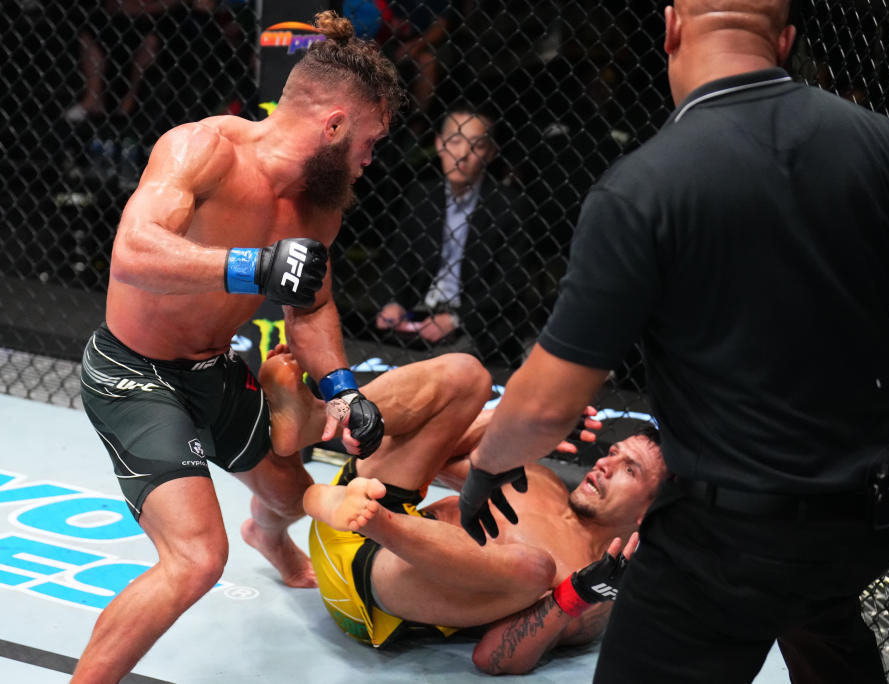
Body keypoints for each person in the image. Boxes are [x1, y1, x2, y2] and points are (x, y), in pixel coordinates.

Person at [457, 1, 889, 682]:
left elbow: (549, 406)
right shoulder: (887, 146)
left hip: (735, 537)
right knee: (818, 608)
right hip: (870, 515)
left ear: (670, 28)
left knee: (750, 592)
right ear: (783, 42)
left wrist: (489, 461)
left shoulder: (644, 186)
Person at [74, 11, 403, 683]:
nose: (372, 161)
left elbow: (308, 301)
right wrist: (252, 266)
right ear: (334, 126)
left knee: (290, 494)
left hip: (212, 371)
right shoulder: (205, 148)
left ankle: (269, 540)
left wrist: (341, 389)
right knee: (196, 559)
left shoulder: (321, 204)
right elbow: (134, 252)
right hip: (134, 375)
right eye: (370, 141)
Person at [258, 347, 666, 674]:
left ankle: (364, 515)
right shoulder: (542, 480)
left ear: (650, 509)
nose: (604, 464)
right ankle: (315, 421)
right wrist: (519, 425)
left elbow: (493, 657)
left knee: (536, 569)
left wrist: (571, 599)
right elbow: (428, 447)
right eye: (613, 452)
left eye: (629, 469)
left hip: (370, 588)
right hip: (367, 494)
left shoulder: (594, 585)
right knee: (468, 376)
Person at [373, 102, 533, 365]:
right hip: (420, 309)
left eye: (476, 145)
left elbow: (508, 284)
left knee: (444, 367)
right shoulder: (421, 195)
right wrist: (393, 302)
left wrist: (457, 318)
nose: (462, 154)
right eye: (455, 141)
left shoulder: (508, 205)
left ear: (491, 153)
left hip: (476, 319)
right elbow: (398, 258)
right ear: (439, 145)